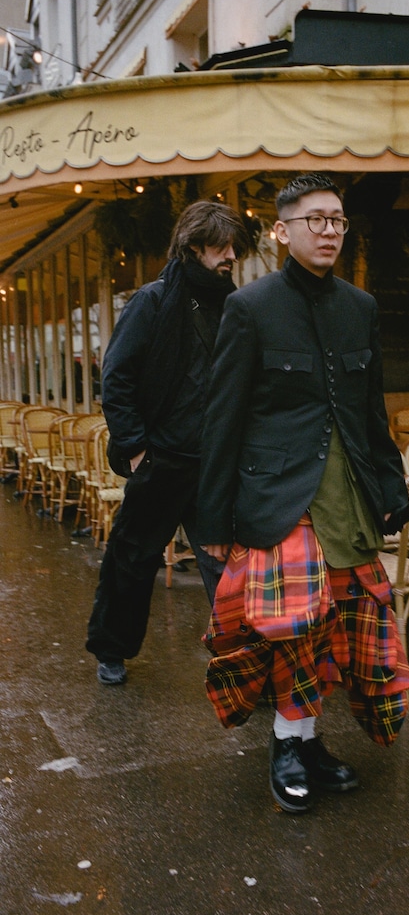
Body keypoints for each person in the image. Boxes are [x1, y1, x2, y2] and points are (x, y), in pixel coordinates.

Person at [197, 174, 409, 813]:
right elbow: (223, 418)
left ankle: (308, 740)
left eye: (337, 220)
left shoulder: (361, 307)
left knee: (336, 629)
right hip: (279, 502)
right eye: (314, 219)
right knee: (294, 630)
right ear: (283, 230)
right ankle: (287, 746)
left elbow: (369, 413)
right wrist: (213, 515)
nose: (327, 231)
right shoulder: (250, 306)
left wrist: (392, 488)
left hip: (346, 498)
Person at [85, 200, 250, 685]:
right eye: (222, 247)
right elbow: (115, 377)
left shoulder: (231, 303)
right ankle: (111, 651)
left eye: (234, 248)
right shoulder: (153, 300)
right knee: (132, 561)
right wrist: (137, 449)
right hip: (160, 459)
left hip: (213, 464)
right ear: (194, 246)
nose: (231, 256)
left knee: (224, 568)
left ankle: (240, 662)